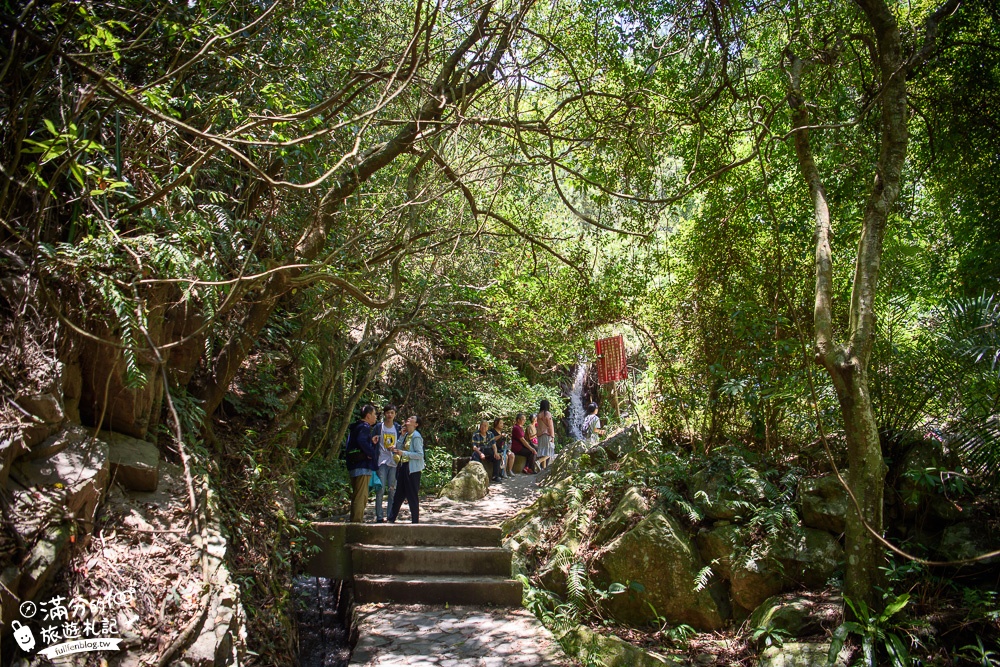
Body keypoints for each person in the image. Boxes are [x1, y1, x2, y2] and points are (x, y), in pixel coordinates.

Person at [388, 415, 425, 524]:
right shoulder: (406, 435)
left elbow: (419, 454)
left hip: (413, 470)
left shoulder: (416, 436)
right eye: (409, 418)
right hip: (403, 467)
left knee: (412, 495)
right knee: (399, 494)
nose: (409, 418)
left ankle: (415, 521)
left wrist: (404, 453)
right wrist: (401, 436)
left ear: (416, 424)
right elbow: (399, 447)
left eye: (412, 418)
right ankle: (391, 519)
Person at [345, 404, 379, 522]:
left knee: (357, 494)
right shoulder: (364, 426)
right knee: (361, 496)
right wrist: (371, 453)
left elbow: (357, 442)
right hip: (362, 465)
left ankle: (354, 520)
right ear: (368, 416)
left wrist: (370, 441)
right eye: (374, 414)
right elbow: (361, 441)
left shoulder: (356, 427)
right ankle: (357, 522)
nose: (376, 417)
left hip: (354, 464)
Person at [372, 404, 401, 523]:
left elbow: (402, 443)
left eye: (392, 413)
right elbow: (372, 442)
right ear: (384, 414)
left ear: (395, 415)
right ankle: (379, 516)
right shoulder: (379, 427)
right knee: (380, 489)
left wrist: (396, 448)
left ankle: (390, 516)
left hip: (393, 462)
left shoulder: (397, 428)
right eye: (388, 412)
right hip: (381, 461)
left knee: (392, 490)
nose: (390, 415)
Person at [536, 399, 555, 470]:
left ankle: (544, 468)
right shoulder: (547, 414)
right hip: (547, 435)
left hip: (540, 435)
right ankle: (539, 462)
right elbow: (551, 426)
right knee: (549, 451)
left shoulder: (539, 415)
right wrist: (552, 436)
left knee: (543, 451)